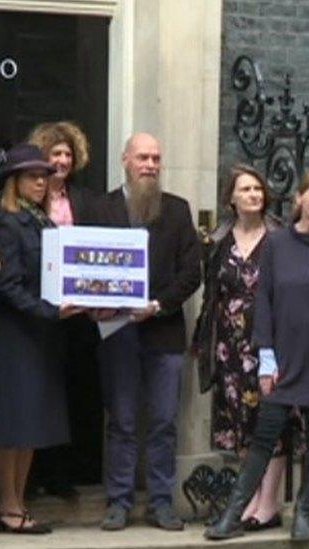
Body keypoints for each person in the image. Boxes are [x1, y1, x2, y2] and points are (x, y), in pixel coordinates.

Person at [205, 169, 309, 542]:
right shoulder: (277, 244)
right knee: (265, 434)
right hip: (286, 354)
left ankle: (305, 513)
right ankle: (232, 516)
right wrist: (266, 356)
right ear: (299, 199)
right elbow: (264, 301)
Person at [91, 133, 201, 531]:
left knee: (163, 422)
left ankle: (161, 502)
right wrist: (94, 302)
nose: (150, 165)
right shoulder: (100, 207)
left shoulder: (177, 210)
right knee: (120, 421)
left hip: (164, 332)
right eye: (143, 157)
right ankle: (118, 501)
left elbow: (192, 272)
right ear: (125, 160)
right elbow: (87, 266)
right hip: (116, 330)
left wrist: (156, 305)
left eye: (156, 158)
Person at [192, 164, 305, 531]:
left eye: (258, 189)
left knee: (271, 421)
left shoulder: (280, 237)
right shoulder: (219, 238)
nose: (254, 195)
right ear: (232, 198)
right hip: (229, 345)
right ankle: (251, 496)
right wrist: (202, 338)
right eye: (246, 189)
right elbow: (212, 294)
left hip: (267, 341)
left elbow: (291, 292)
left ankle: (268, 502)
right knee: (240, 423)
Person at [0, 143, 83, 534]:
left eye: (45, 176)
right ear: (15, 182)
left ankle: (20, 498)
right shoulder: (7, 223)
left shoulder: (44, 223)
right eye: (32, 176)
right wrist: (50, 311)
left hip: (43, 335)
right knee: (13, 425)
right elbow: (7, 286)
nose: (42, 181)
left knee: (32, 426)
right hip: (16, 336)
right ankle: (8, 505)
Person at [25, 121, 103, 497]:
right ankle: (35, 474)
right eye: (55, 154)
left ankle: (64, 473)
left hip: (79, 315)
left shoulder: (86, 200)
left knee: (74, 390)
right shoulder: (28, 200)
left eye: (67, 154)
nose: (62, 160)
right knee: (39, 390)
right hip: (39, 313)